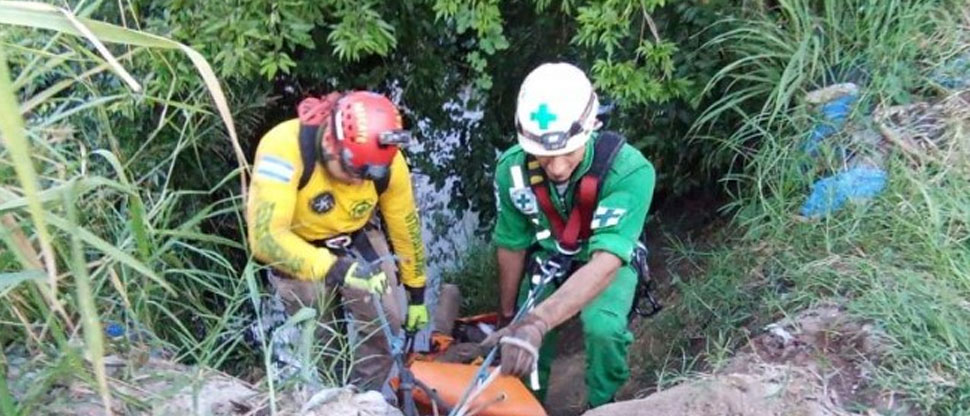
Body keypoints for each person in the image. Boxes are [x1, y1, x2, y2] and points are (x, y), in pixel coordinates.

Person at [485, 62, 656, 408]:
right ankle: (528, 406)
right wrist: (508, 317)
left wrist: (540, 320)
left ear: (593, 126)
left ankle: (602, 404)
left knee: (603, 328)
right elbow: (512, 244)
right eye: (545, 157)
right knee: (522, 341)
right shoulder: (513, 171)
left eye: (568, 153)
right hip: (550, 258)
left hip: (606, 258)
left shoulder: (630, 171)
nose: (558, 167)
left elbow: (607, 261)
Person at [246, 91, 429, 392]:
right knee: (322, 341)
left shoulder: (388, 161)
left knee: (387, 328)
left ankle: (360, 396)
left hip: (356, 239)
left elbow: (405, 225)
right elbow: (266, 238)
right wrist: (333, 269)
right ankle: (330, 394)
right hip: (298, 247)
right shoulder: (283, 148)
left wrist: (417, 290)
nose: (359, 182)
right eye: (354, 171)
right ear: (331, 144)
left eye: (369, 175)